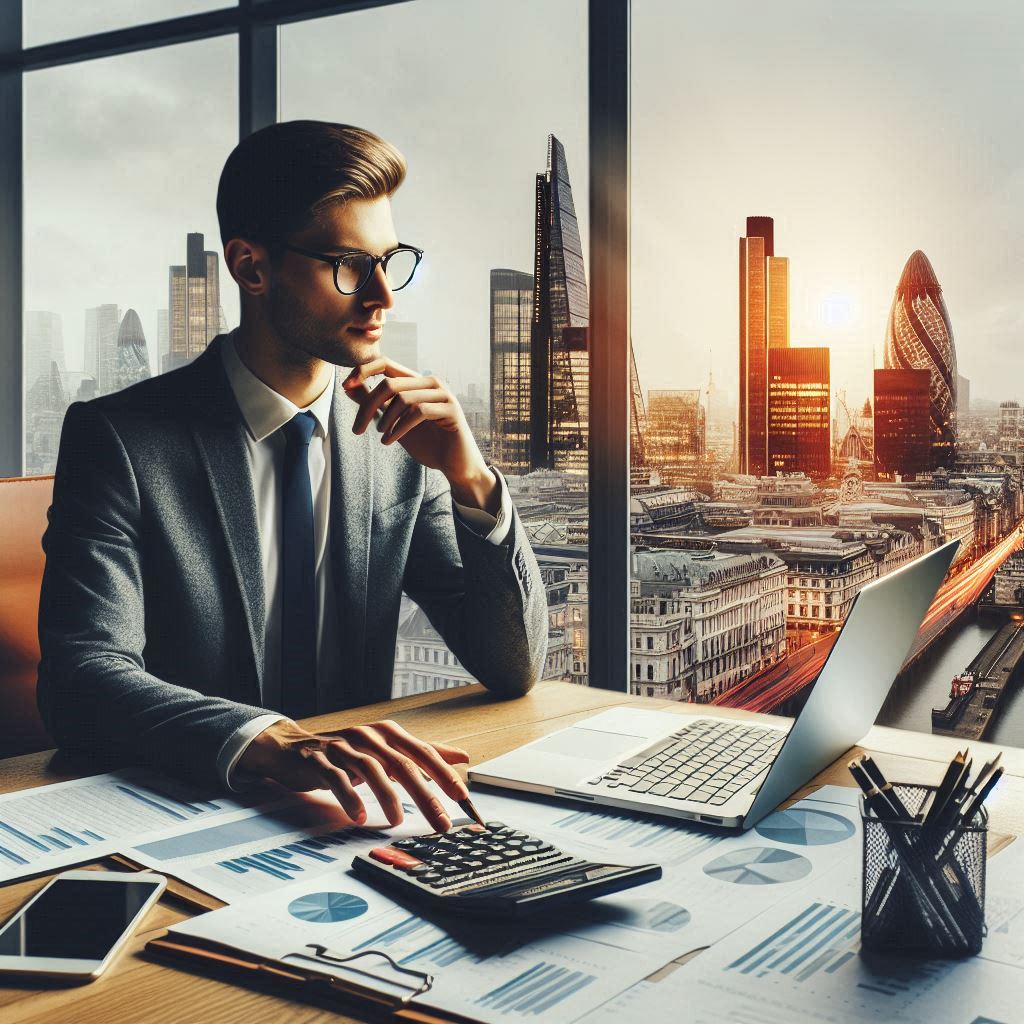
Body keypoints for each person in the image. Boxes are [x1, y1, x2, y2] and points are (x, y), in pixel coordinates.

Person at [37, 120, 547, 834]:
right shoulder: (121, 439)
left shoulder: (401, 443)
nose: (382, 298)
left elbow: (512, 665)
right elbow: (80, 679)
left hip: (353, 817)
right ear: (251, 267)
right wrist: (261, 741)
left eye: (389, 260)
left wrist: (470, 478)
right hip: (181, 810)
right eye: (347, 265)